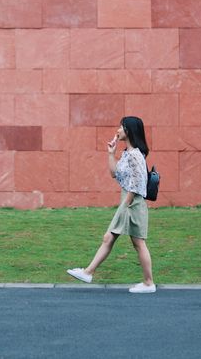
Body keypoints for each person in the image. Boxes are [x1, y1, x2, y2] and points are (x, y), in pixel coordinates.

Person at [66, 116, 156, 293]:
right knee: (123, 240)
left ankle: (147, 283)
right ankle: (89, 272)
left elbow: (138, 184)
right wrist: (110, 154)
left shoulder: (135, 155)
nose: (118, 130)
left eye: (121, 127)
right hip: (129, 201)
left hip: (132, 203)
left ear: (128, 131)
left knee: (130, 241)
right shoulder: (127, 154)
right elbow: (114, 174)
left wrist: (125, 205)